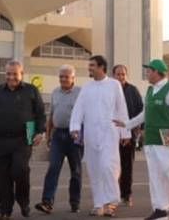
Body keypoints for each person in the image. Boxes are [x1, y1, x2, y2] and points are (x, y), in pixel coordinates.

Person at [0, 60, 47, 220]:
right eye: (8, 73)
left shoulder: (31, 90)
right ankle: (5, 210)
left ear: (21, 74)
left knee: (19, 170)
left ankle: (23, 201)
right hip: (0, 140)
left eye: (15, 74)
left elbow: (40, 114)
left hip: (22, 139)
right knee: (2, 177)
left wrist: (39, 132)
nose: (11, 77)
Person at [122, 59, 169, 220]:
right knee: (155, 175)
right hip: (151, 138)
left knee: (168, 169)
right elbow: (144, 115)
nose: (147, 73)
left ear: (158, 73)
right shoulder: (150, 91)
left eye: (149, 71)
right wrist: (126, 124)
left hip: (167, 137)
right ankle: (160, 209)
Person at [70, 55, 130, 217]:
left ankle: (111, 201)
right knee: (94, 169)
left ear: (101, 67)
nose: (89, 68)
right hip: (91, 134)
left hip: (109, 133)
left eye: (92, 65)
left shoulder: (114, 85)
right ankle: (99, 204)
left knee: (107, 166)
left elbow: (121, 108)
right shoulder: (87, 87)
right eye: (89, 65)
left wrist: (126, 131)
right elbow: (79, 108)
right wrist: (75, 127)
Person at [35, 65, 83, 214]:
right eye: (61, 76)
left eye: (66, 76)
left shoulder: (80, 93)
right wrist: (48, 136)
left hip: (74, 137)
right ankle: (47, 202)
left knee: (75, 171)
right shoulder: (55, 92)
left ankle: (75, 202)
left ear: (73, 78)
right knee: (53, 168)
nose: (63, 79)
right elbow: (52, 116)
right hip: (58, 136)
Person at [112, 64, 144, 207]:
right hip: (111, 133)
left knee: (127, 165)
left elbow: (140, 109)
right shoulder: (109, 89)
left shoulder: (132, 90)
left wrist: (138, 128)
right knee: (112, 166)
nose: (121, 77)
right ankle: (113, 194)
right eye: (118, 74)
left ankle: (126, 194)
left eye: (123, 74)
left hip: (128, 133)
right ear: (113, 76)